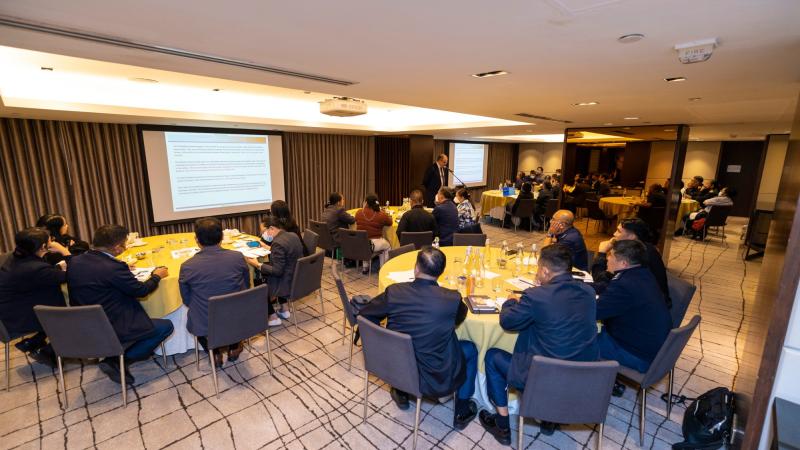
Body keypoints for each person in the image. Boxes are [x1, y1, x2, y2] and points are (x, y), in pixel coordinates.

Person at [479, 244, 599, 443]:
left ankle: (501, 425)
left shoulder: (537, 296)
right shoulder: (587, 291)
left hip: (543, 377)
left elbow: (508, 321)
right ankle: (548, 421)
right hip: (583, 374)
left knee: (492, 356)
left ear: (544, 270)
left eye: (538, 269)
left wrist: (511, 301)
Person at [359, 247, 479, 430]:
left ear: (416, 268)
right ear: (440, 273)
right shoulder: (452, 299)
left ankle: (401, 390)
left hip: (396, 367)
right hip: (434, 376)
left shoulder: (395, 292)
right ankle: (462, 409)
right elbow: (459, 319)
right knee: (470, 349)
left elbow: (366, 314)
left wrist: (382, 340)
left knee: (407, 343)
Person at [67, 224, 172, 385]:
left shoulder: (75, 261)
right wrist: (157, 276)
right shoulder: (113, 268)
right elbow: (141, 291)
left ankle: (115, 356)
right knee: (165, 326)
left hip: (84, 324)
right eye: (124, 243)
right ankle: (118, 360)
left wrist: (119, 268)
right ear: (117, 248)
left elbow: (98, 277)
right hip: (113, 323)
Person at [179, 218, 250, 368]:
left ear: (197, 240)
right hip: (238, 315)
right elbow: (246, 286)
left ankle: (215, 352)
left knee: (195, 315)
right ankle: (233, 347)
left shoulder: (187, 266)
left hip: (205, 321)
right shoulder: (237, 257)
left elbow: (187, 300)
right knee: (231, 311)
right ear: (222, 237)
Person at [596, 240, 671, 374]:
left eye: (611, 255)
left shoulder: (623, 285)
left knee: (575, 336)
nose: (607, 258)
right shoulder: (643, 273)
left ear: (624, 263)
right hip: (652, 350)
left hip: (636, 356)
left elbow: (594, 312)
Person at [0, 227, 70, 362]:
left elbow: (36, 276)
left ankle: (33, 341)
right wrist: (64, 251)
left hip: (9, 312)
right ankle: (48, 352)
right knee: (75, 312)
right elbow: (71, 276)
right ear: (44, 246)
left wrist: (55, 269)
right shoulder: (35, 268)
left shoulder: (15, 258)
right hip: (19, 319)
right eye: (51, 241)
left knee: (57, 299)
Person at [591, 219, 670, 307]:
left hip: (646, 308)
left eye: (618, 231)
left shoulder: (636, 255)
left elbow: (604, 283)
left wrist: (602, 253)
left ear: (632, 236)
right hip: (642, 302)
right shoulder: (642, 248)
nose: (614, 234)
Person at [246, 216, 304, 326]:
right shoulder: (292, 235)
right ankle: (284, 308)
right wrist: (266, 247)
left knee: (257, 280)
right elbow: (285, 253)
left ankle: (272, 317)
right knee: (266, 268)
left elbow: (277, 271)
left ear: (271, 228)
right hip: (296, 276)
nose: (263, 235)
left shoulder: (277, 243)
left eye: (264, 231)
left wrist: (257, 264)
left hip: (286, 282)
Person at [354, 194, 392, 273]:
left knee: (365, 240)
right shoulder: (381, 214)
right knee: (388, 246)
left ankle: (365, 267)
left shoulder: (358, 212)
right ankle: (383, 269)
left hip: (360, 243)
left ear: (366, 202)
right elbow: (390, 223)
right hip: (374, 244)